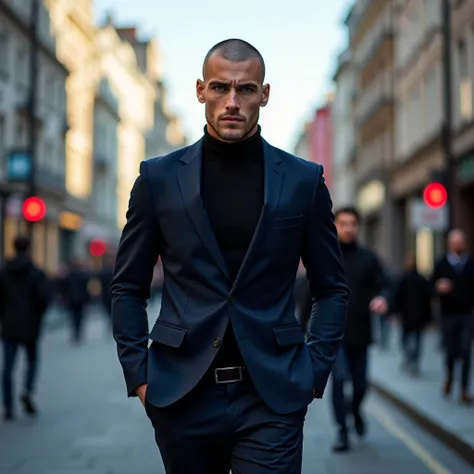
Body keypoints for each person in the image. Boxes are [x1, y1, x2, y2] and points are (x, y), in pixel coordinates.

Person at [112, 38, 349, 474]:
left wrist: (313, 374)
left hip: (272, 395)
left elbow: (332, 288)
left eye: (246, 89)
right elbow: (128, 286)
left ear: (265, 94)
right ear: (201, 90)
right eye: (221, 88)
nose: (232, 102)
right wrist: (140, 376)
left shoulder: (302, 181)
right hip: (181, 394)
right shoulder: (159, 179)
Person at [330, 207, 390, 453]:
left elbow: (385, 285)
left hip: (361, 333)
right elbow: (310, 294)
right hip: (332, 335)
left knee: (360, 386)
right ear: (335, 225)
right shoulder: (326, 256)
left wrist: (383, 298)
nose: (348, 227)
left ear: (358, 227)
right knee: (339, 379)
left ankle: (355, 410)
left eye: (352, 223)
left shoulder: (368, 258)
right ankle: (342, 431)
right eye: (343, 223)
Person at [0, 236, 51, 420]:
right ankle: (27, 391)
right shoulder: (36, 272)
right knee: (32, 361)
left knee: (7, 368)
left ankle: (8, 406)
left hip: (9, 325)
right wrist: (38, 315)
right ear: (29, 248)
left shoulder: (4, 271)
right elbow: (44, 298)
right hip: (31, 325)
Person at [431, 229, 474, 404]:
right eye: (454, 241)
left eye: (460, 241)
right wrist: (437, 287)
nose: (457, 244)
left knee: (466, 351)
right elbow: (430, 286)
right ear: (449, 243)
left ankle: (464, 389)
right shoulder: (442, 263)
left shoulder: (471, 263)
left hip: (466, 314)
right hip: (448, 315)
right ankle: (449, 377)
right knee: (450, 351)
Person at [393, 253, 432, 375]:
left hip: (416, 315)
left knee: (416, 339)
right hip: (407, 315)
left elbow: (427, 299)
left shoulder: (419, 280)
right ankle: (410, 357)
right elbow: (397, 297)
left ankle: (413, 359)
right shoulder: (403, 279)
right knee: (407, 339)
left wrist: (428, 316)